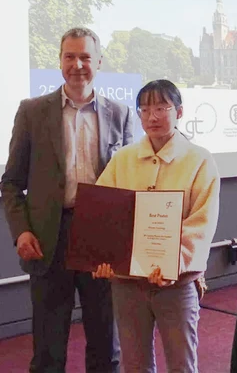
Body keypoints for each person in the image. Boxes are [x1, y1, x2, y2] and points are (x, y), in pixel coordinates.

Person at [0, 27, 133, 373]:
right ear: (59, 61)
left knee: (106, 343)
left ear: (98, 62)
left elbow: (133, 183)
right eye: (69, 56)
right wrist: (21, 231)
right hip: (47, 239)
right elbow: (11, 182)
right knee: (48, 348)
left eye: (85, 57)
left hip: (102, 240)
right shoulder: (32, 112)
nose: (77, 65)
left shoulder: (121, 114)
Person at [93, 79, 221, 372]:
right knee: (133, 365)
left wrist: (173, 262)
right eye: (145, 109)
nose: (152, 116)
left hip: (177, 282)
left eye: (162, 107)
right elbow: (102, 215)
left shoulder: (199, 160)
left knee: (181, 364)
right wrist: (103, 257)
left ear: (179, 111)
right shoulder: (122, 159)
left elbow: (202, 221)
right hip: (127, 283)